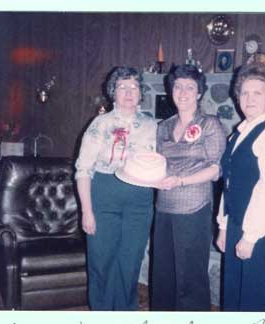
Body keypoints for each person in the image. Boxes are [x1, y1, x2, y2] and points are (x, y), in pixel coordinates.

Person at [75, 66, 157, 310]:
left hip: (140, 202)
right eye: (122, 87)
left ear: (141, 93)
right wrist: (87, 212)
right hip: (104, 197)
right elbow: (83, 170)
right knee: (101, 261)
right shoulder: (100, 124)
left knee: (130, 263)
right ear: (113, 92)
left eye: (133, 87)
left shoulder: (153, 126)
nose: (128, 92)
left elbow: (159, 165)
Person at [216, 63, 265, 311]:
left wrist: (250, 237)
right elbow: (229, 183)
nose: (249, 99)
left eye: (257, 93)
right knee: (233, 295)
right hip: (237, 223)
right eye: (245, 93)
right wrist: (224, 226)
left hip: (260, 230)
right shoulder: (237, 135)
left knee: (252, 299)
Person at [151, 64, 227, 311]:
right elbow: (157, 163)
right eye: (178, 86)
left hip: (194, 208)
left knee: (190, 277)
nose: (183, 92)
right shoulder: (163, 126)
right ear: (171, 90)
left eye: (190, 87)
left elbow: (216, 170)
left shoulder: (210, 124)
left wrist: (181, 181)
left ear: (199, 93)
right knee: (162, 273)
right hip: (163, 207)